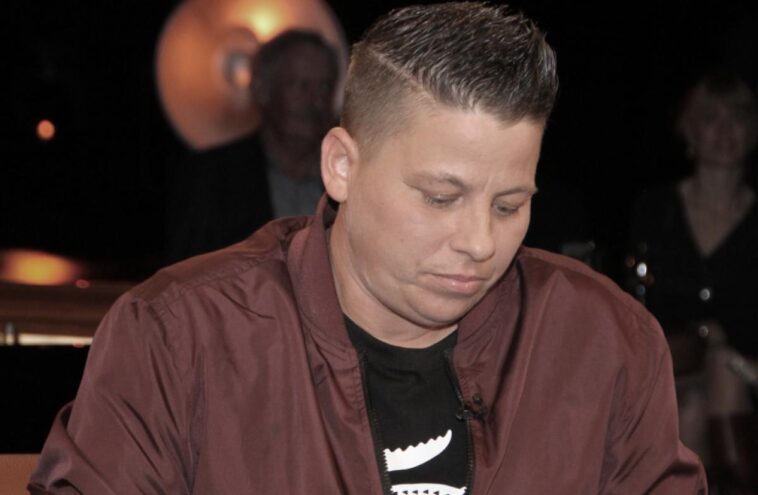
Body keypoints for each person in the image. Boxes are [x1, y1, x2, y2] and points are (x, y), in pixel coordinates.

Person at [30, 3, 705, 493]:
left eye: (509, 205)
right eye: (440, 197)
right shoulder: (177, 338)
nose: (480, 242)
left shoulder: (606, 340)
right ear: (341, 166)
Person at [629, 69, 758, 491]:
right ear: (688, 129)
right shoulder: (655, 210)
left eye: (737, 117)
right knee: (692, 404)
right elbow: (636, 306)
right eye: (710, 117)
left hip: (747, 381)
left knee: (720, 374)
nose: (724, 130)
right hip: (671, 375)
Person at [164, 29, 339, 263]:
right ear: (262, 91)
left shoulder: (345, 176)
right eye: (300, 85)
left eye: (325, 87)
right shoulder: (213, 177)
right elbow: (187, 269)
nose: (315, 101)